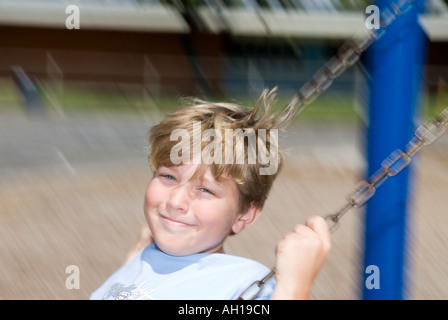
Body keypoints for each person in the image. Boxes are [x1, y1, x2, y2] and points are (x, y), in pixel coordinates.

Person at [90, 88, 331, 300]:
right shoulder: (142, 259)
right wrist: (135, 260)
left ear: (244, 215)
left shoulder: (243, 283)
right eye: (168, 177)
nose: (175, 201)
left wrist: (294, 288)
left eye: (205, 190)